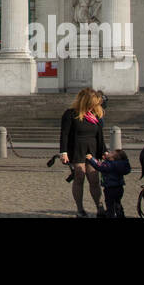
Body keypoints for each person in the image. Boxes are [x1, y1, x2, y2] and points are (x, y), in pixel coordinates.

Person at [59, 87, 107, 217]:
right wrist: (63, 152)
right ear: (85, 102)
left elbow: (100, 136)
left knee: (94, 178)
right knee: (79, 177)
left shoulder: (95, 115)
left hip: (92, 149)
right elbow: (65, 134)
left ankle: (100, 207)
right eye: (93, 103)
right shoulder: (70, 114)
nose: (95, 106)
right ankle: (80, 209)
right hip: (76, 149)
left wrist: (104, 151)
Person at [85, 149, 131, 218]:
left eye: (111, 153)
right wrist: (107, 159)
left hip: (110, 188)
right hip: (119, 187)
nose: (108, 153)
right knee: (117, 203)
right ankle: (120, 214)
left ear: (113, 158)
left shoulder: (110, 165)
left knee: (110, 204)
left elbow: (99, 166)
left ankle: (110, 215)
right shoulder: (120, 164)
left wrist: (91, 159)